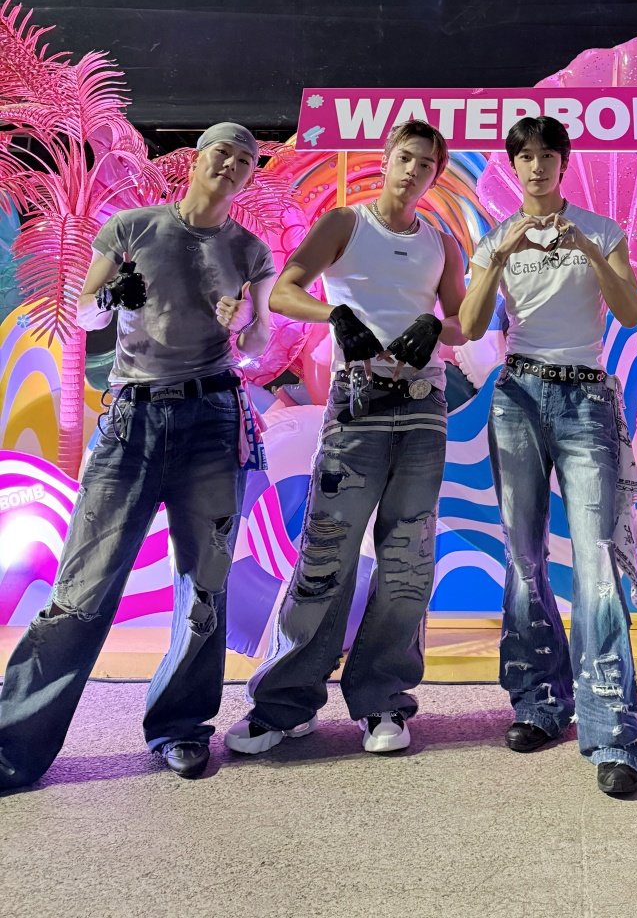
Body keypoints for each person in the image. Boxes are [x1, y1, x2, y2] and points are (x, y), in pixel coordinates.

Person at [0, 122, 275, 787]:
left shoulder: (249, 250)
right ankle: (14, 747)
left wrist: (245, 324)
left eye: (245, 160)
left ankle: (181, 729)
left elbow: (259, 343)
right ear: (197, 158)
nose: (231, 164)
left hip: (212, 421)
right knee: (81, 588)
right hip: (132, 423)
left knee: (203, 588)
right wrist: (108, 294)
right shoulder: (133, 228)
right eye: (222, 152)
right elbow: (85, 313)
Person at [226, 121, 466, 758]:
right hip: (355, 406)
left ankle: (383, 699)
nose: (413, 171)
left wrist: (434, 327)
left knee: (407, 562)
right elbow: (284, 292)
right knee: (325, 554)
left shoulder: (441, 242)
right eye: (405, 158)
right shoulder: (345, 223)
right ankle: (284, 705)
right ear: (385, 160)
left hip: (423, 408)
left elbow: (461, 323)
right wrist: (335, 315)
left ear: (435, 175)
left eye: (425, 164)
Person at [458, 116, 637, 797]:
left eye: (547, 155)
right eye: (526, 157)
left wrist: (590, 252)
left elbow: (629, 313)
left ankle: (615, 732)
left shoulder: (601, 230)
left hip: (585, 398)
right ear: (513, 166)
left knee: (596, 562)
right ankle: (539, 701)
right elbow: (470, 324)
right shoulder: (495, 236)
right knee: (523, 556)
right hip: (517, 395)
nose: (536, 166)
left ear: (564, 163)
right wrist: (498, 256)